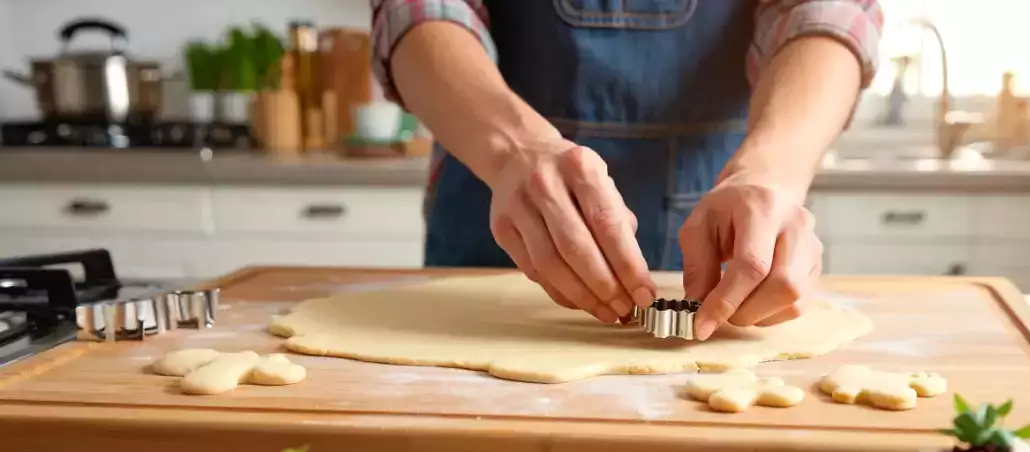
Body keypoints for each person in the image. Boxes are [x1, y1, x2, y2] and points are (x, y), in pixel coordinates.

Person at [370, 0, 882, 340]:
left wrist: (771, 169)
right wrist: (512, 149)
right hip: (487, 238)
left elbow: (828, 10)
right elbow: (415, 7)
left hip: (729, 231)